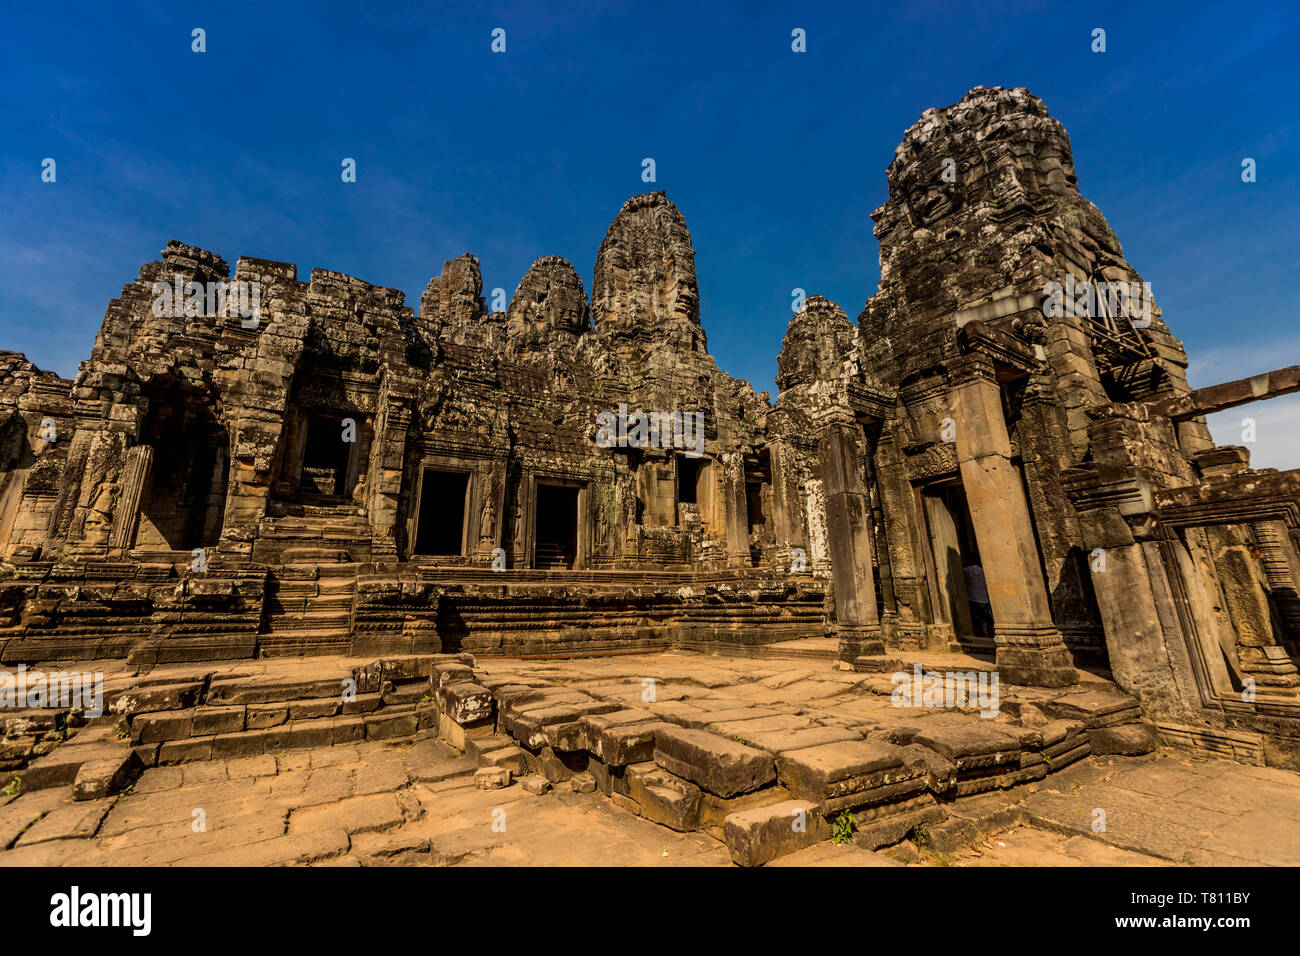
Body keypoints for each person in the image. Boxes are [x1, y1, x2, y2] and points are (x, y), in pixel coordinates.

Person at [962, 561, 993, 637]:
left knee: (979, 618)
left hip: (973, 597)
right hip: (984, 598)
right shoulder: (983, 570)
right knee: (987, 617)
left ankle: (985, 634)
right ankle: (989, 633)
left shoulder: (966, 570)